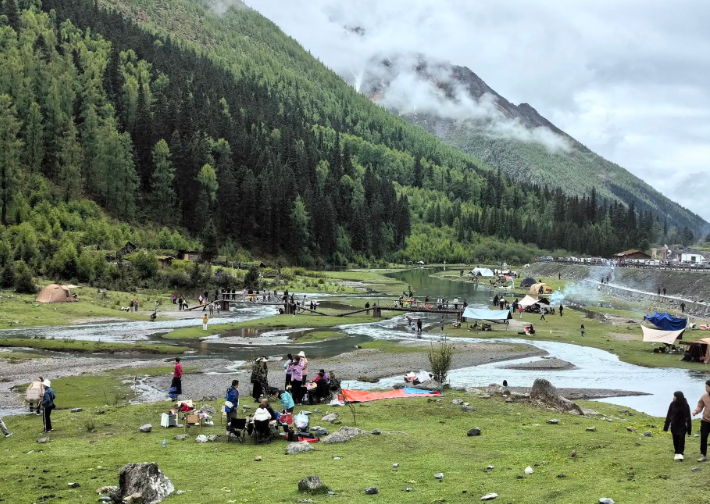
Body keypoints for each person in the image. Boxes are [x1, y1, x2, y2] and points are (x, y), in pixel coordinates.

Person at [664, 391, 692, 461]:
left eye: (675, 396)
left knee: (681, 439)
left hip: (682, 425)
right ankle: (676, 452)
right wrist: (666, 426)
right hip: (674, 425)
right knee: (675, 439)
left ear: (678, 397)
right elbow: (669, 415)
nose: (674, 397)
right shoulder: (672, 404)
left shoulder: (686, 405)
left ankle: (681, 453)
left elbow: (688, 417)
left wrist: (689, 429)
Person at [692, 379, 710, 462]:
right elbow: (700, 405)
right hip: (705, 421)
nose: (705, 388)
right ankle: (703, 455)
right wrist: (696, 411)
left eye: (707, 387)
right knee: (703, 438)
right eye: (705, 386)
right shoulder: (704, 396)